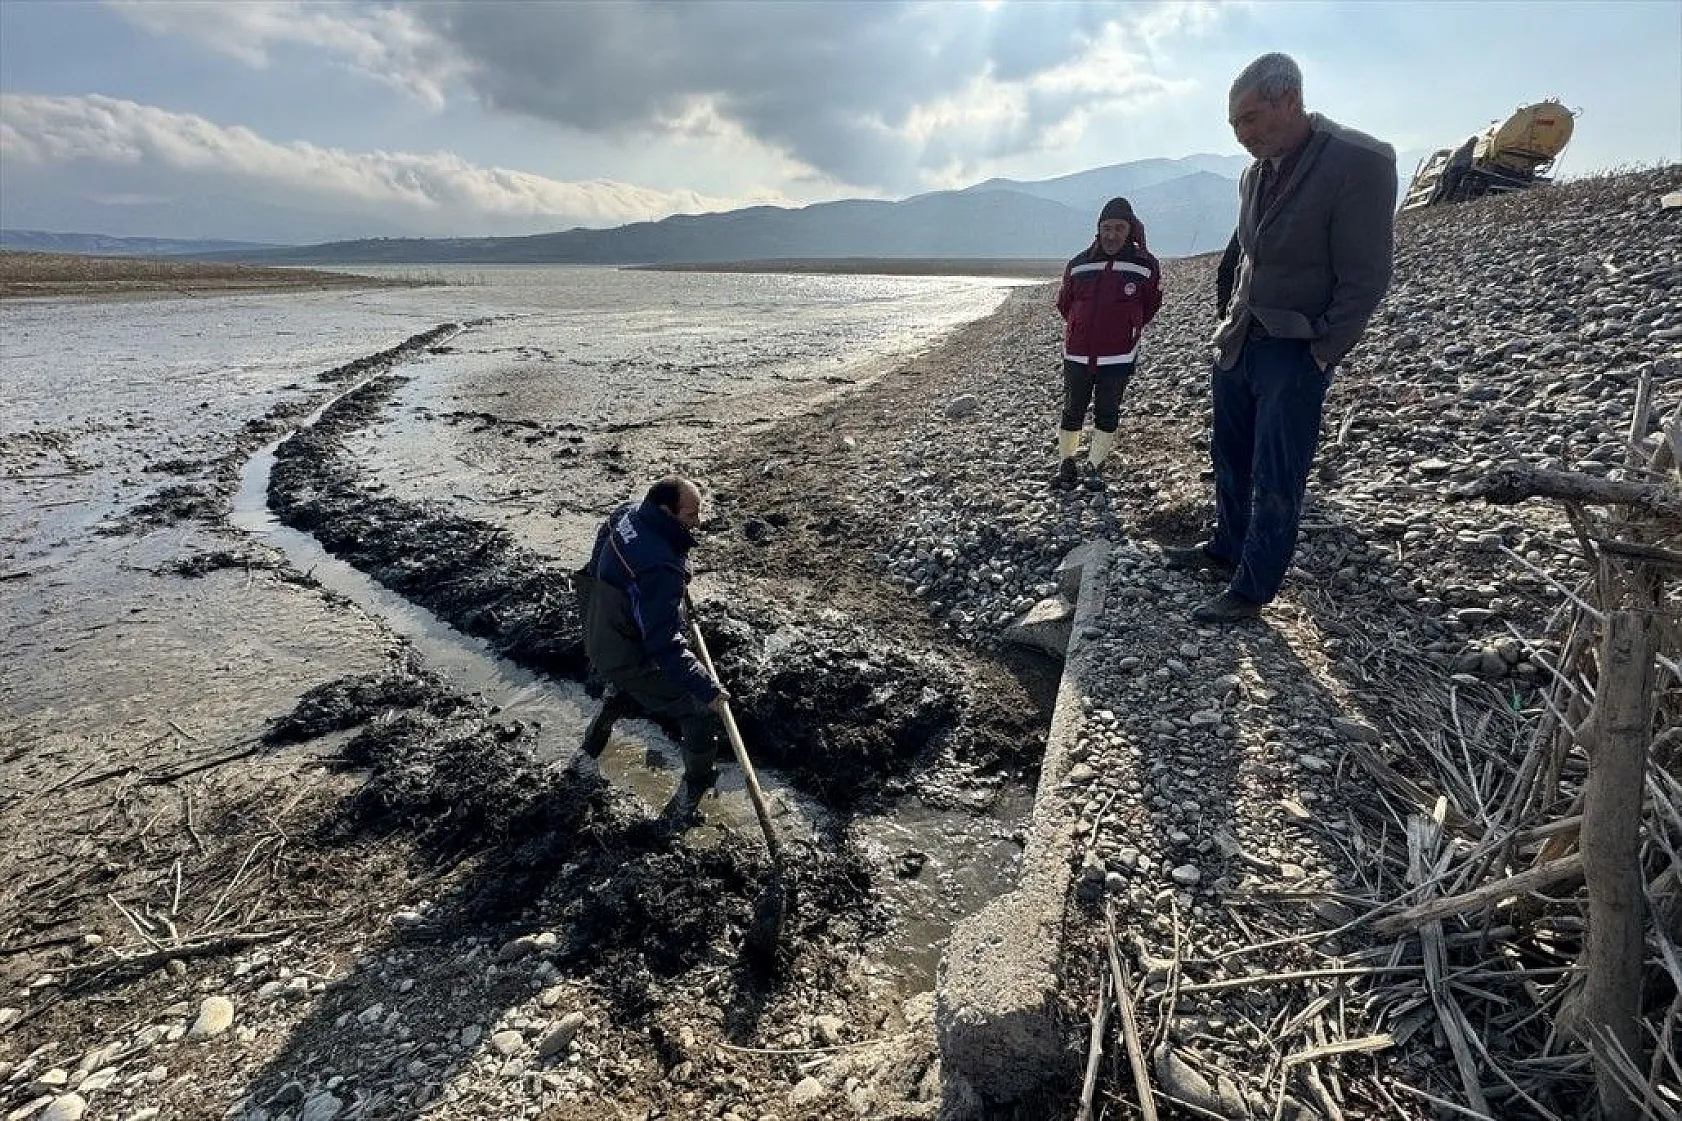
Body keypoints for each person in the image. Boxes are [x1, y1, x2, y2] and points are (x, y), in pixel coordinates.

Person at [1167, 53, 1396, 623]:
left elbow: (1366, 275)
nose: (1242, 134)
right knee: (1230, 454)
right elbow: (1245, 257)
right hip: (1240, 339)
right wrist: (1227, 327)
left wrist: (1322, 352)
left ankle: (1253, 587)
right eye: (1234, 124)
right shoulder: (1254, 172)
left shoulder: (1358, 160)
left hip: (1296, 346)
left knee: (1278, 469)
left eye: (1250, 118)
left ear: (1290, 100)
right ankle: (1226, 549)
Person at [573, 477, 729, 827]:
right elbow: (664, 644)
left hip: (600, 632)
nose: (698, 523)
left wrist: (675, 570)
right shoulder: (659, 568)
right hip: (625, 653)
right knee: (699, 711)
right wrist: (708, 690)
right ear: (665, 511)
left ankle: (588, 750)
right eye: (690, 515)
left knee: (625, 684)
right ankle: (696, 788)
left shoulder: (626, 515)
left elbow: (601, 561)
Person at [1052, 196, 1163, 489]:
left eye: (1119, 228)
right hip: (1077, 354)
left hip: (1119, 356)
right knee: (1072, 408)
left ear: (1129, 230)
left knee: (1108, 410)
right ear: (1098, 229)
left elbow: (1150, 305)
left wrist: (1128, 328)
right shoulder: (1078, 264)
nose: (1112, 235)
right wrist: (1079, 327)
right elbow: (1065, 304)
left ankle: (1095, 465)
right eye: (1107, 228)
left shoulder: (1145, 266)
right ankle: (1067, 462)